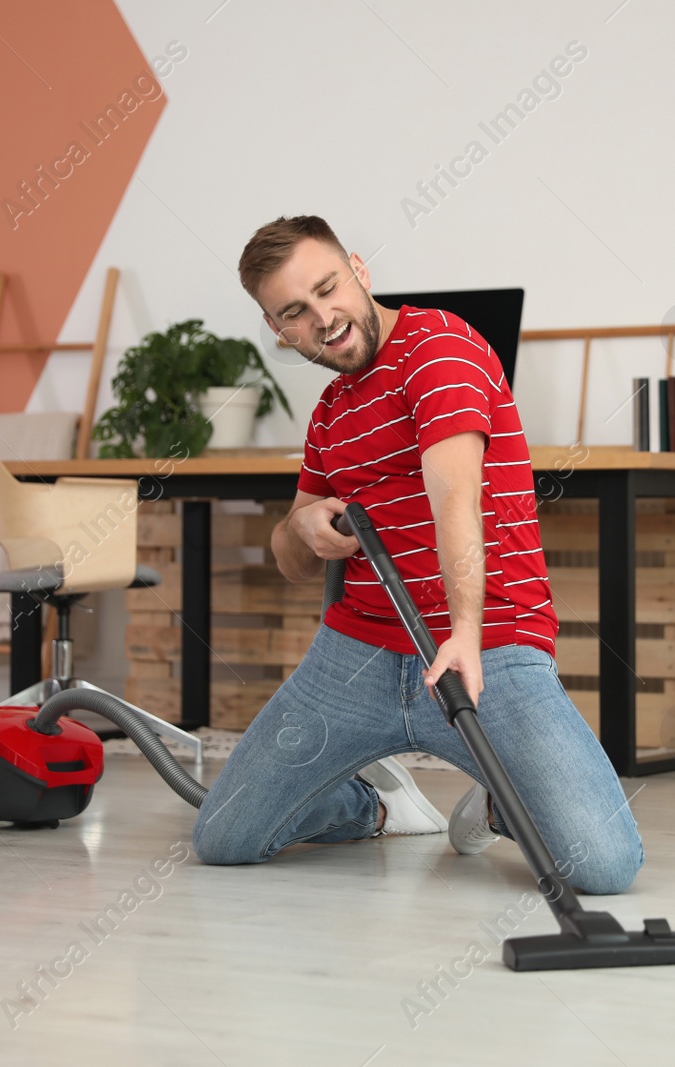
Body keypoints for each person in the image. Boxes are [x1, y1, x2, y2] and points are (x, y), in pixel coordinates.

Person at [191, 215, 642, 895]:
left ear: (360, 270)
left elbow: (454, 494)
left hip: (487, 647)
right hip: (359, 653)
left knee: (603, 865)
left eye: (329, 288)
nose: (325, 317)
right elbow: (291, 558)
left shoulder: (440, 349)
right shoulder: (330, 413)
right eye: (296, 312)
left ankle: (501, 802)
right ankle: (373, 807)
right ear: (281, 331)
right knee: (224, 834)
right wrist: (301, 529)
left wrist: (462, 633)